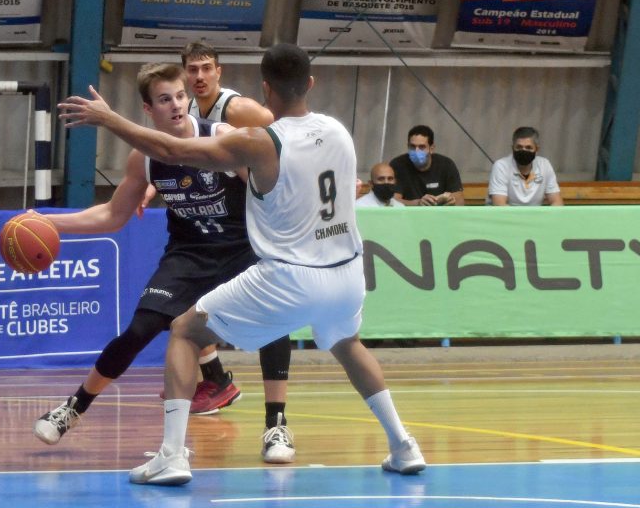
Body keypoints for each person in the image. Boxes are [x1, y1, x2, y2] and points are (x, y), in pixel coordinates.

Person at [58, 43, 426, 486]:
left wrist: (110, 120)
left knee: (185, 331)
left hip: (292, 274)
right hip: (347, 273)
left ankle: (172, 456)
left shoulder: (259, 142)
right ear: (310, 84)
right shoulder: (337, 132)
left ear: (265, 88)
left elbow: (172, 151)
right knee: (348, 346)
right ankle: (403, 444)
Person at [33, 62, 296, 465]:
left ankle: (276, 424)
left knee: (275, 318)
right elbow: (112, 215)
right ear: (148, 109)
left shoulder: (222, 137)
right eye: (163, 99)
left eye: (180, 96)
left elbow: (270, 190)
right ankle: (74, 407)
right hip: (189, 254)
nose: (175, 105)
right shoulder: (144, 158)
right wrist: (47, 221)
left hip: (241, 249)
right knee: (139, 329)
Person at [390, 125, 464, 206]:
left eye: (421, 147)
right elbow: (392, 202)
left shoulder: (446, 165)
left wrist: (450, 201)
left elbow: (460, 202)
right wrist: (418, 203)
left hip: (439, 212)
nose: (416, 151)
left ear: (431, 148)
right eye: (412, 146)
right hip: (409, 213)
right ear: (408, 146)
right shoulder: (397, 165)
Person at [488, 126, 564, 206]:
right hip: (506, 214)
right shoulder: (501, 166)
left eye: (528, 147)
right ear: (512, 148)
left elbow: (557, 202)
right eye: (519, 147)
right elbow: (499, 204)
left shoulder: (544, 165)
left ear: (537, 149)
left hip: (535, 213)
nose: (523, 151)